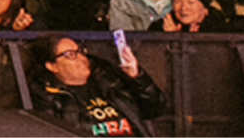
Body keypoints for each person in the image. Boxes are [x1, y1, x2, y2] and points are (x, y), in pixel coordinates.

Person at [32, 34, 171, 138]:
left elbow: (156, 108)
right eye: (70, 54)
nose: (81, 58)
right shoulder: (48, 97)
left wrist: (136, 76)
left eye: (80, 51)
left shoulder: (109, 82)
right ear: (52, 66)